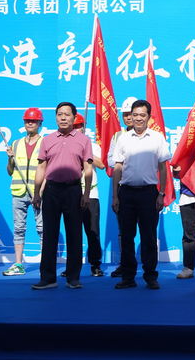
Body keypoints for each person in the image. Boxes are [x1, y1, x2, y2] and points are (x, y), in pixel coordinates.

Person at [31, 102, 94, 290]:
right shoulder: (47, 140)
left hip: (73, 191)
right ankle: (48, 278)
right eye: (60, 114)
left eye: (67, 114)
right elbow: (41, 167)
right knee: (49, 235)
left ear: (74, 117)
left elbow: (88, 168)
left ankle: (73, 278)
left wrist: (86, 193)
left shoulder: (84, 140)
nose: (63, 117)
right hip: (51, 191)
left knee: (74, 234)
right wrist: (37, 193)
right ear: (56, 117)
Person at [112, 99, 171, 290]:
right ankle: (128, 277)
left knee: (148, 237)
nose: (138, 118)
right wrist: (115, 196)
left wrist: (161, 193)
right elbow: (117, 168)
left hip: (148, 194)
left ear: (149, 117)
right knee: (126, 237)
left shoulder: (157, 138)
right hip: (126, 193)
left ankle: (150, 276)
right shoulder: (123, 138)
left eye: (142, 115)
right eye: (135, 115)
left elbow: (163, 168)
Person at [2, 107, 44, 276]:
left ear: (40, 123)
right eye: (27, 121)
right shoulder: (16, 144)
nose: (30, 123)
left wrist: (39, 193)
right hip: (19, 191)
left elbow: (47, 170)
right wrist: (10, 158)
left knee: (42, 228)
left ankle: (46, 264)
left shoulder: (45, 143)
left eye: (33, 121)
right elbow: (10, 171)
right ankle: (18, 264)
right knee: (19, 228)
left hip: (38, 192)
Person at [71, 113, 106, 277]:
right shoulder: (66, 144)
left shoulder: (92, 145)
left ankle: (95, 264)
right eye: (74, 126)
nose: (77, 129)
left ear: (84, 127)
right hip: (72, 193)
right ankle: (72, 266)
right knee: (73, 232)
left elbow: (102, 165)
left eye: (79, 126)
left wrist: (87, 151)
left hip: (91, 194)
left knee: (93, 231)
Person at [107, 96, 137, 279]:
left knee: (147, 232)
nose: (128, 118)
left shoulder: (150, 135)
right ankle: (124, 265)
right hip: (123, 187)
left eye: (131, 114)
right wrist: (127, 162)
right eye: (125, 115)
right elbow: (111, 160)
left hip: (143, 188)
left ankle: (149, 269)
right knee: (124, 231)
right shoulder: (118, 136)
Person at [174, 166, 195, 280]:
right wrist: (176, 170)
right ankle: (188, 268)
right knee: (188, 235)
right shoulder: (184, 154)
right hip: (187, 197)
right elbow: (176, 174)